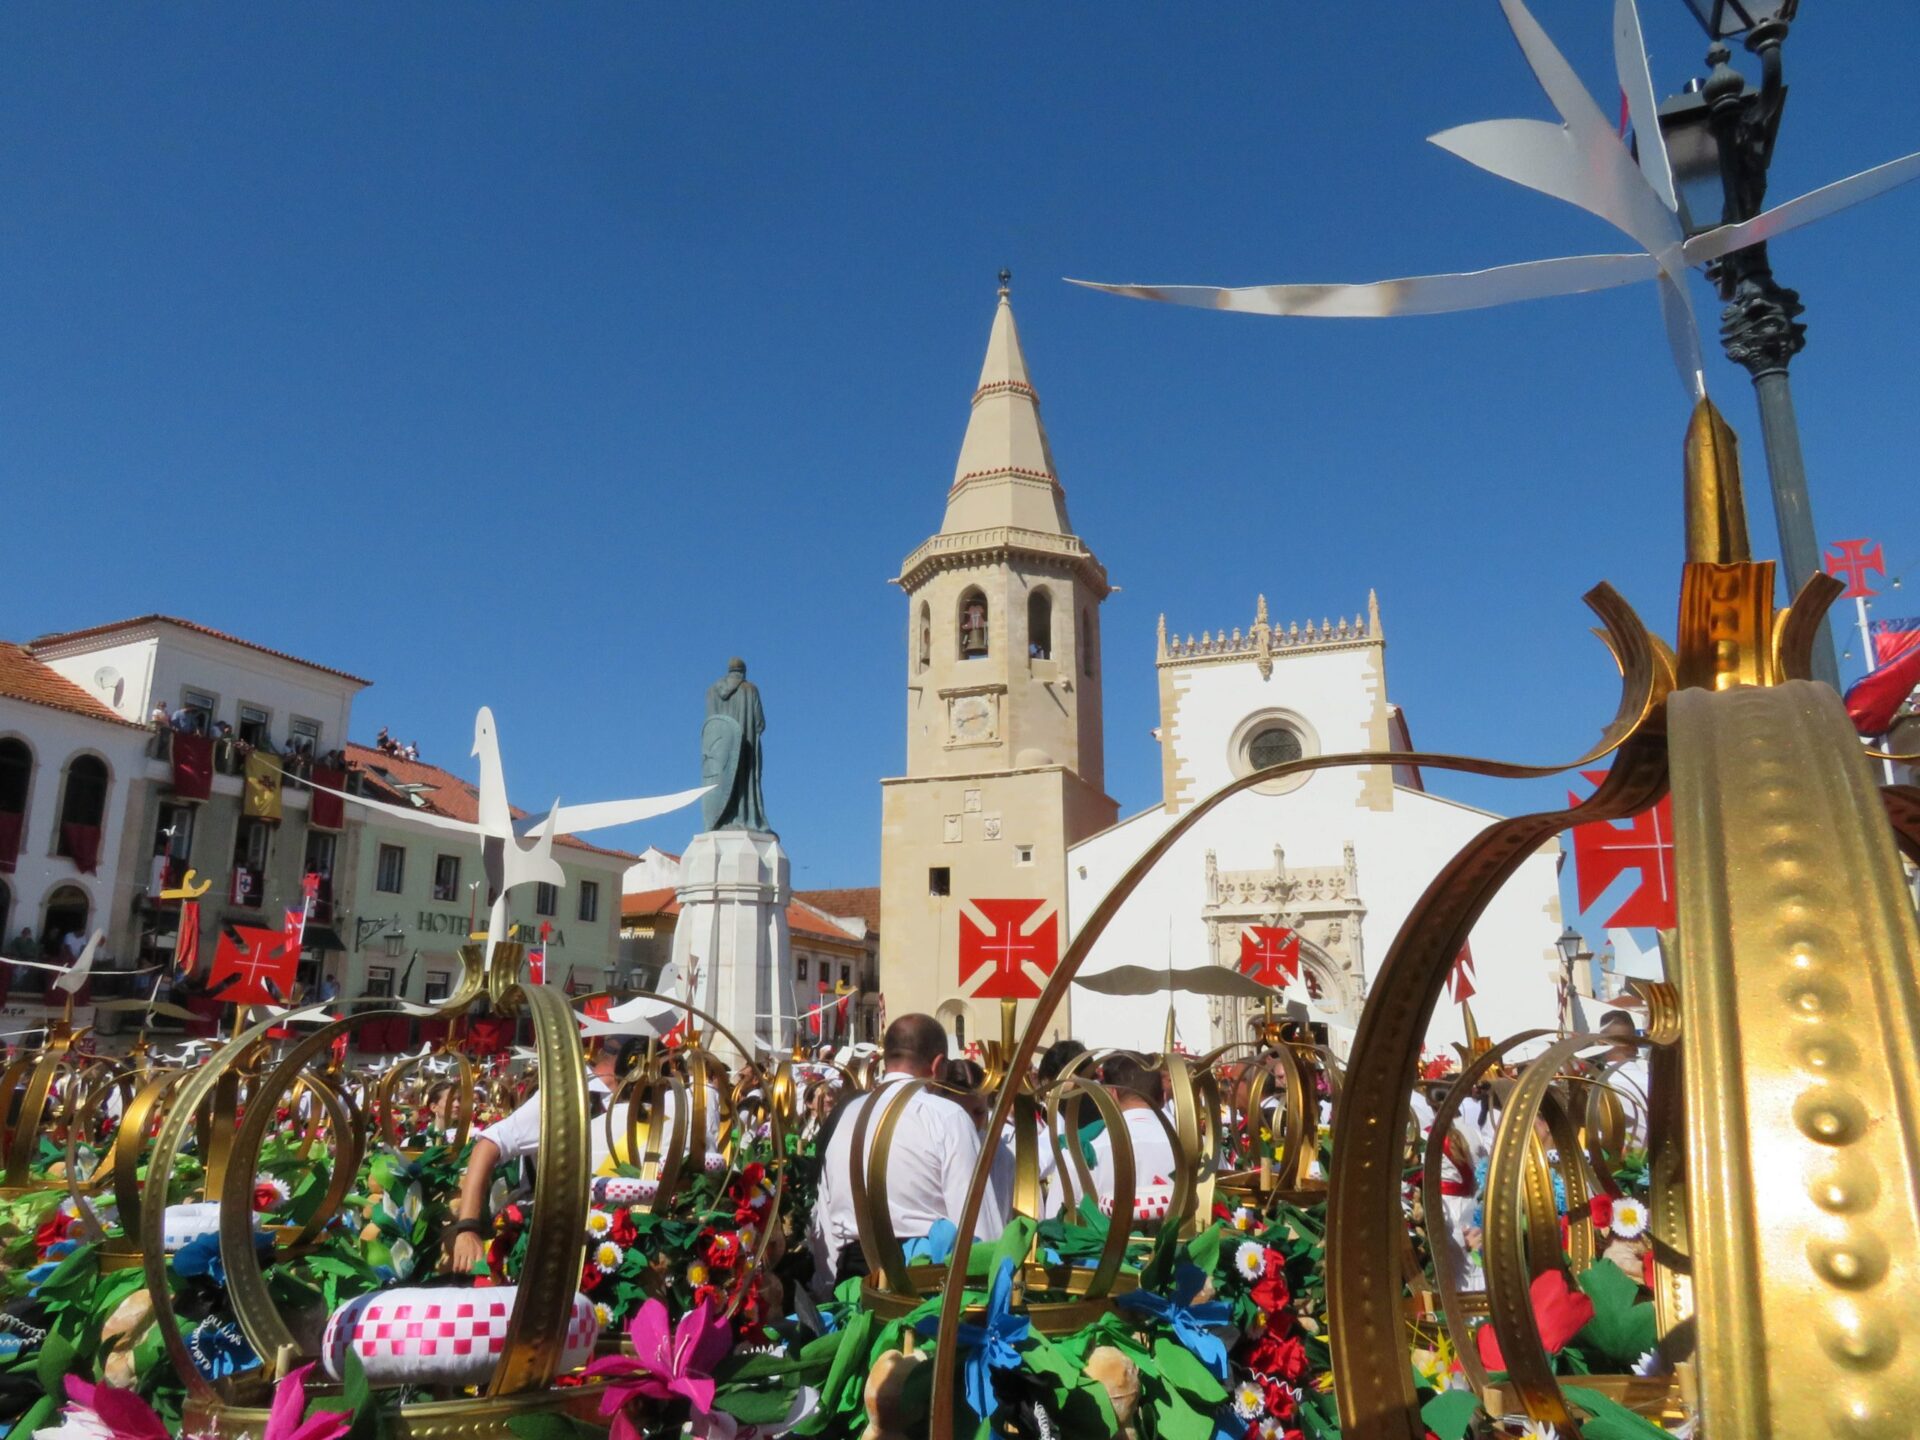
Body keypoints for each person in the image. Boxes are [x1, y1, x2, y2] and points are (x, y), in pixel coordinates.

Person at [807, 1014, 1005, 1296]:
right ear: (938, 1066)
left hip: (853, 1282)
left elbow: (825, 1223)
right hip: (923, 1284)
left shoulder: (846, 1114)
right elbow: (976, 1222)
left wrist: (829, 1294)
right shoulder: (947, 1117)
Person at [442, 1036, 643, 1274]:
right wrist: (467, 1227)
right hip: (550, 1245)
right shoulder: (569, 1096)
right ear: (632, 1066)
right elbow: (488, 1145)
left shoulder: (628, 1104)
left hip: (610, 1251)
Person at [1088, 1054, 1179, 1209]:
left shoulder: (1084, 1150)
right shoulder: (1194, 1143)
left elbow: (1057, 1221)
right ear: (1162, 1095)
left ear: (1111, 1094)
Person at [1597, 1009, 1651, 1147]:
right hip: (1653, 1162)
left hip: (1605, 1165)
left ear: (1601, 1044)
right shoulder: (1652, 1084)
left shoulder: (1592, 1087)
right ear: (1636, 1044)